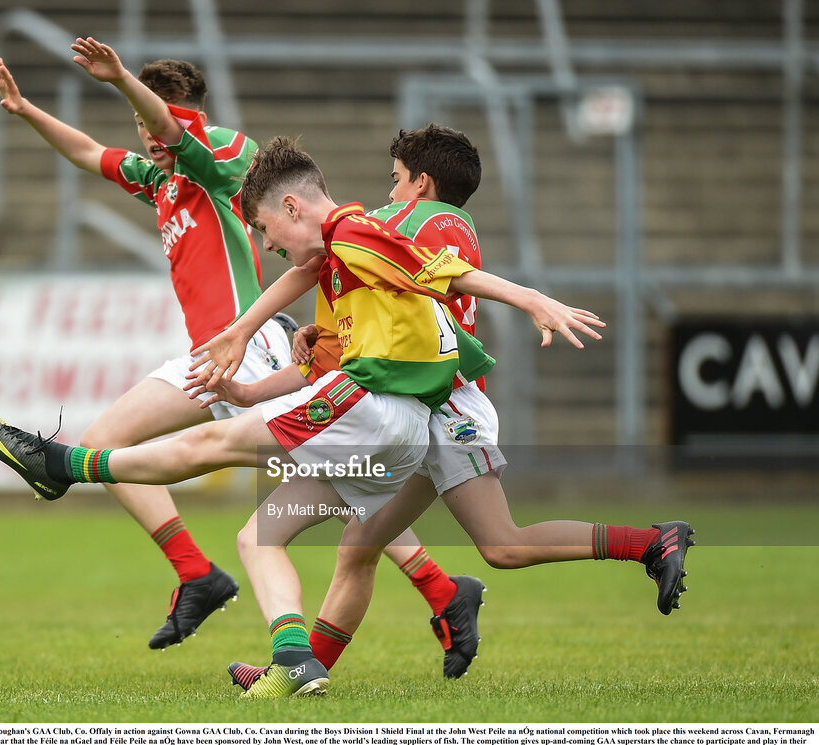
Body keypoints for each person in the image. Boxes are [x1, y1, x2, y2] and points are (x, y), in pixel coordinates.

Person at [0, 135, 605, 696]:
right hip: (402, 431)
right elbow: (312, 275)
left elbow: (443, 273)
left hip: (375, 407)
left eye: (269, 231)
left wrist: (530, 298)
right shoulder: (337, 254)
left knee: (215, 444)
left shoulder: (356, 233)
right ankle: (295, 659)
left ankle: (65, 465)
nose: (269, 246)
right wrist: (253, 338)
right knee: (263, 537)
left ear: (294, 208)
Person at [0, 40, 468, 652]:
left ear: (192, 117)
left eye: (157, 120)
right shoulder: (160, 180)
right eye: (139, 124)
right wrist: (27, 110)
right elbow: (88, 152)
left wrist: (117, 82)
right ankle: (196, 573)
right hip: (208, 352)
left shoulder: (224, 155)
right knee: (108, 442)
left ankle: (440, 591)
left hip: (252, 343)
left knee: (330, 473)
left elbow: (171, 127)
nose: (149, 135)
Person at [225, 124, 694, 691]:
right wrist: (317, 335)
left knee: (502, 545)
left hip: (446, 407)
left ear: (422, 184)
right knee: (359, 546)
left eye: (396, 181)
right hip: (416, 402)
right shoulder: (397, 227)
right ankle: (298, 669)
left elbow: (407, 280)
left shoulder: (426, 220)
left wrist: (527, 297)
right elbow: (360, 293)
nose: (389, 193)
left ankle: (649, 543)